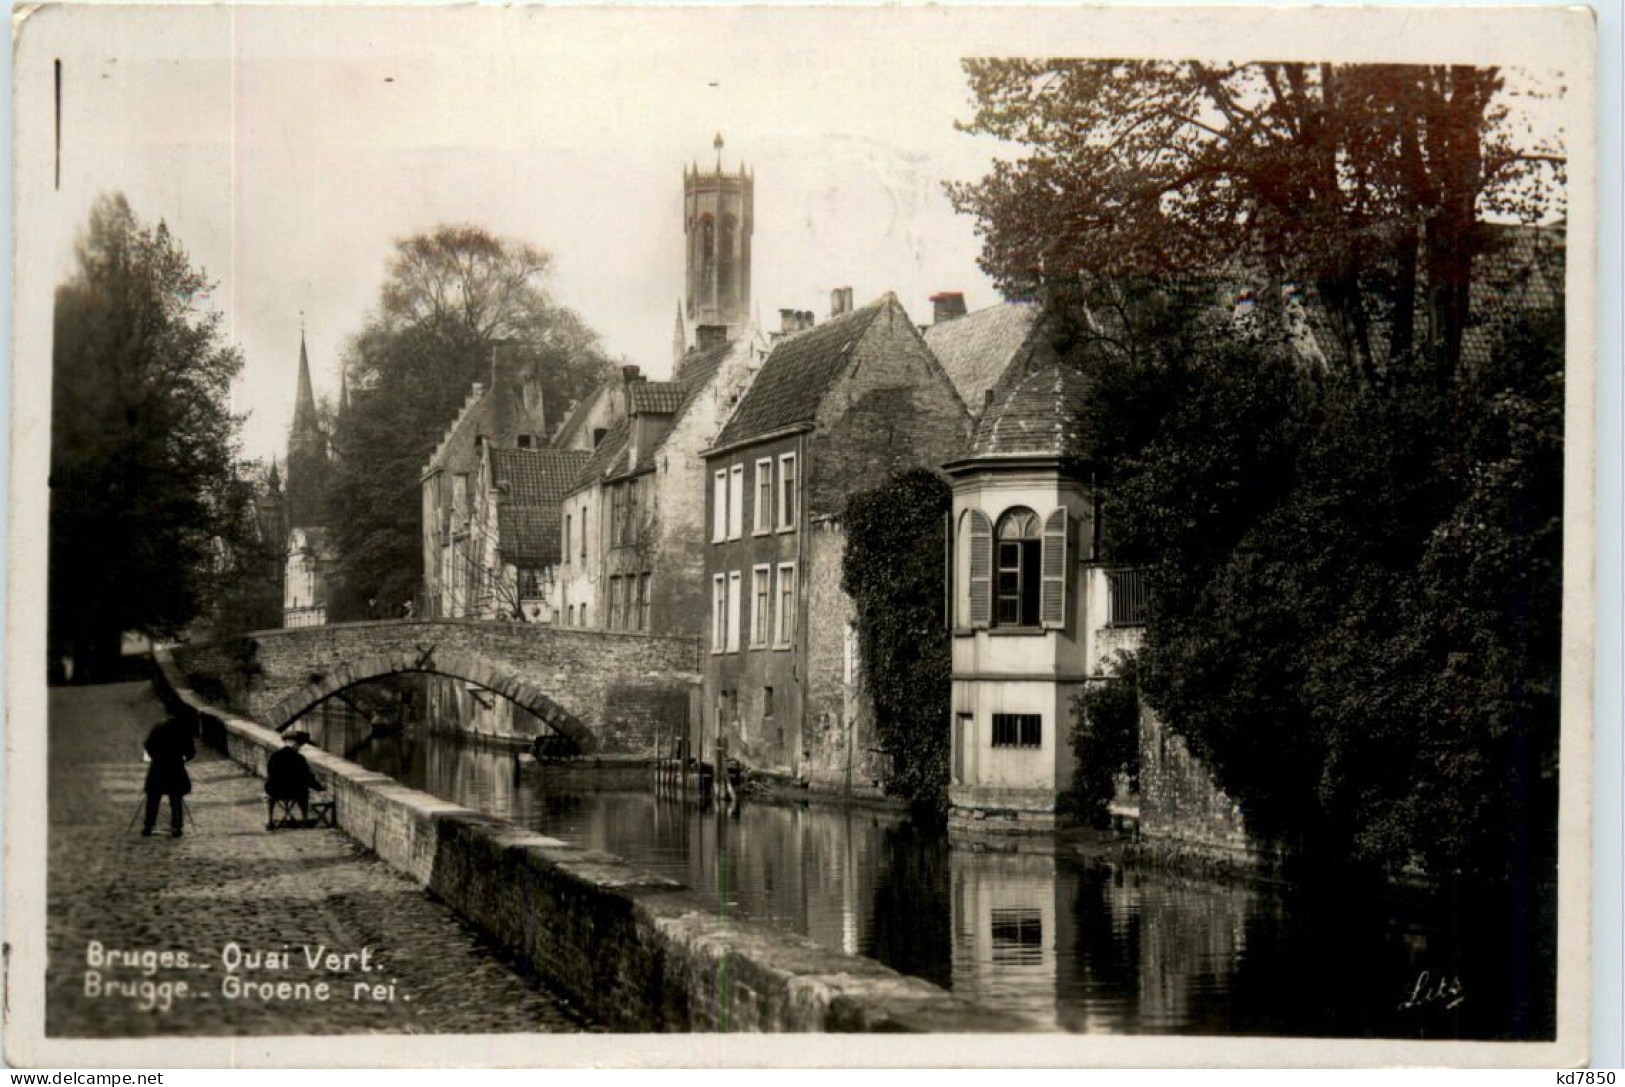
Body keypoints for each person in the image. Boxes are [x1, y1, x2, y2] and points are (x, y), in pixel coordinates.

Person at [141, 715, 195, 837]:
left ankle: (148, 825)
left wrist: (156, 757)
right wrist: (182, 758)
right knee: (176, 798)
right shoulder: (183, 730)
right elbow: (191, 752)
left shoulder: (158, 728)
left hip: (158, 767)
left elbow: (148, 745)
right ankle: (176, 826)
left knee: (153, 798)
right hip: (175, 768)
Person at [265, 730, 325, 829]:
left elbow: (270, 773)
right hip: (294, 792)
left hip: (275, 791)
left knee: (270, 795)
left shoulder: (274, 756)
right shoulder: (299, 758)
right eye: (299, 745)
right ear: (295, 744)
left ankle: (270, 821)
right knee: (304, 792)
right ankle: (305, 819)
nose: (299, 748)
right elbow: (307, 777)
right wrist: (319, 788)